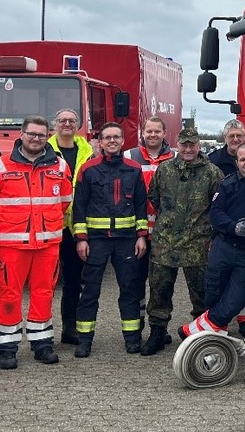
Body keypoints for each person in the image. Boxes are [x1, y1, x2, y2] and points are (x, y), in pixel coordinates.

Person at [0, 116, 73, 369]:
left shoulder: (61, 167)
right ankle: (7, 348)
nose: (36, 139)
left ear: (47, 136)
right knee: (10, 294)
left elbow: (64, 201)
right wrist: (7, 227)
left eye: (41, 135)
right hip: (12, 245)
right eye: (32, 134)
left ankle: (42, 344)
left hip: (47, 244)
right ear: (22, 134)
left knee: (44, 293)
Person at [179, 143, 245, 338]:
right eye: (242, 160)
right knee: (213, 293)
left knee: (237, 297)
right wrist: (233, 227)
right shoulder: (227, 183)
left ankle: (192, 331)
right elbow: (216, 213)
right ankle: (215, 338)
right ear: (237, 163)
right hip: (224, 247)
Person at [141, 128, 224, 355]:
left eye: (192, 145)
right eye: (184, 145)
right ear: (177, 144)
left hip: (197, 244)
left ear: (198, 146)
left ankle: (202, 335)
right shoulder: (165, 170)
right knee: (159, 290)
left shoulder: (212, 173)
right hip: (165, 242)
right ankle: (157, 332)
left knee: (201, 293)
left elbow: (218, 206)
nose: (188, 149)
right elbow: (153, 197)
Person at [71, 122, 149, 357]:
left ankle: (132, 338)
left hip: (126, 240)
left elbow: (140, 205)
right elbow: (80, 206)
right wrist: (81, 239)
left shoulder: (134, 169)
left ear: (123, 141)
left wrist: (141, 236)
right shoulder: (88, 169)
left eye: (116, 137)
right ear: (100, 142)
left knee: (130, 289)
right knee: (90, 292)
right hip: (96, 241)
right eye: (107, 138)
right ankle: (84, 340)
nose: (112, 141)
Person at [122, 116, 176, 341]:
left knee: (161, 284)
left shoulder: (176, 157)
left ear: (165, 133)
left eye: (157, 131)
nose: (153, 135)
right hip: (137, 233)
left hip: (165, 235)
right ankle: (136, 327)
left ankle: (158, 329)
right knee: (135, 282)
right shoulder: (129, 157)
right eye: (149, 131)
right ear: (142, 133)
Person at [48, 108, 96, 346]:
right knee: (45, 281)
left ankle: (70, 327)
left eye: (71, 120)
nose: (67, 124)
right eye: (62, 120)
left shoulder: (88, 151)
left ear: (78, 125)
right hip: (50, 224)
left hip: (77, 224)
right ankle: (42, 330)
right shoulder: (44, 150)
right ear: (54, 124)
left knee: (74, 280)